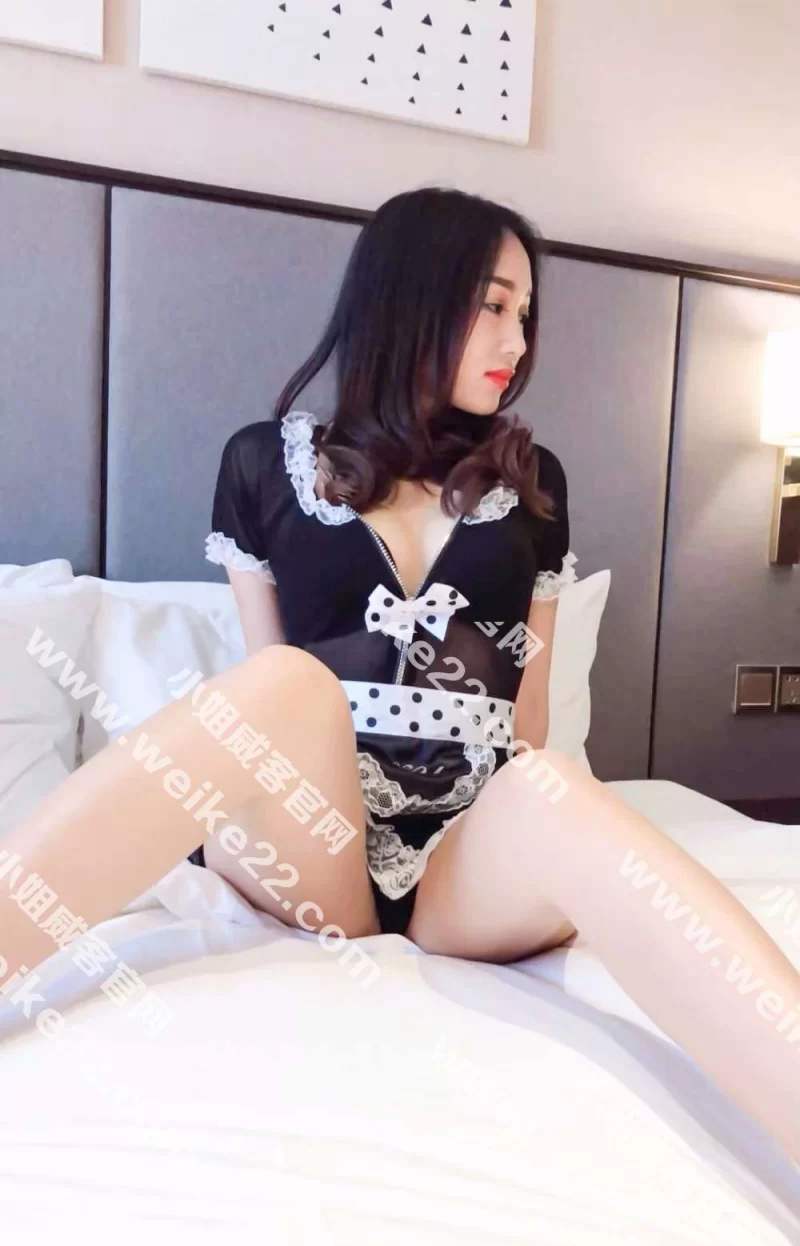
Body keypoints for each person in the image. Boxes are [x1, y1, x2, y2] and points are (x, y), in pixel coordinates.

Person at [1, 187, 798, 1171]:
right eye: (493, 304)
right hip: (311, 842)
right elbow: (257, 703)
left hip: (464, 866)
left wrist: (532, 828)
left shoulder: (533, 482)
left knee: (549, 782)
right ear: (411, 298)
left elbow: (528, 723)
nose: (517, 339)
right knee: (286, 684)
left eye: (525, 312)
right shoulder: (263, 465)